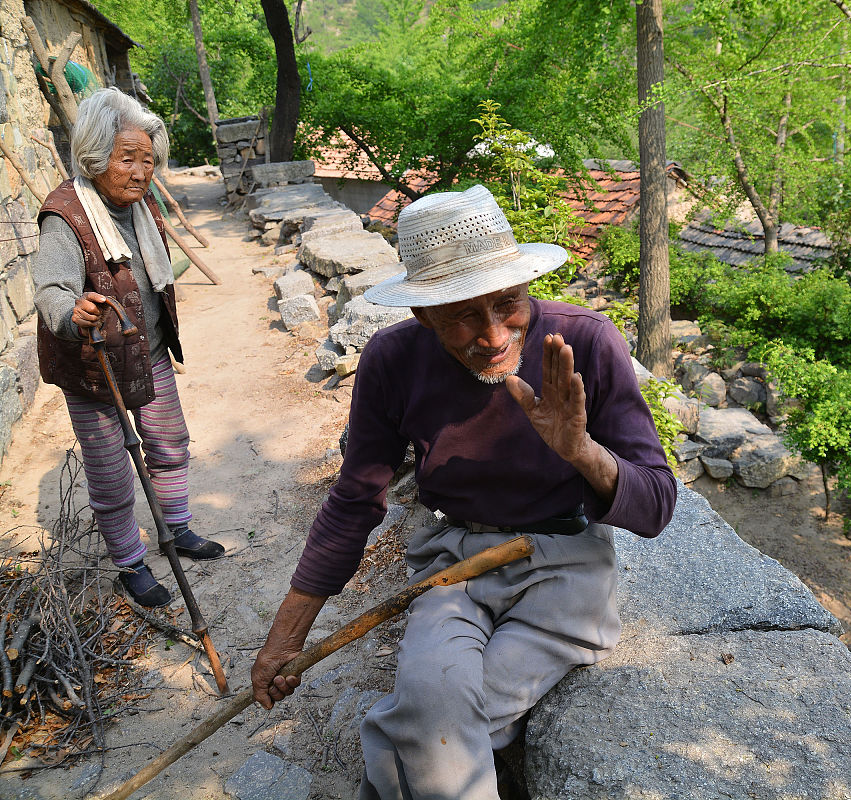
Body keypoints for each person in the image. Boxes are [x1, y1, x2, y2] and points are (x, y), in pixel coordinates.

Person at [251, 184, 677, 799]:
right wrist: (287, 635)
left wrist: (582, 452)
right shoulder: (393, 359)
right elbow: (355, 499)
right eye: (463, 316)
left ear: (526, 286)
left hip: (566, 564)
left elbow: (657, 504)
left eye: (507, 304)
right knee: (430, 701)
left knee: (431, 727)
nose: (495, 336)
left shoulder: (584, 341)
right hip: (454, 565)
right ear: (423, 315)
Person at [32, 88, 224, 608]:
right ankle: (130, 563)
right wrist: (73, 312)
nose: (141, 173)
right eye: (127, 159)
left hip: (148, 352)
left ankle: (176, 528)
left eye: (148, 160)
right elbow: (51, 290)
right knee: (112, 471)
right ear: (96, 158)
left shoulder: (142, 206)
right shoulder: (65, 215)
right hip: (93, 368)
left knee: (169, 443)